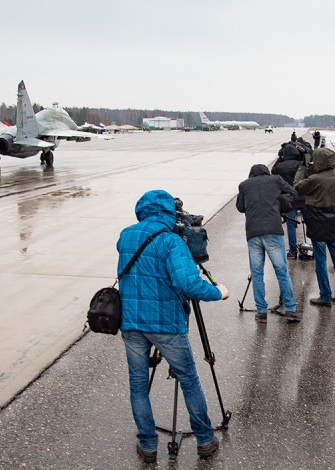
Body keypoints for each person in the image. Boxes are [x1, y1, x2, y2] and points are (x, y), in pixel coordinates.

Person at [117, 190, 229, 462]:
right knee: (189, 379)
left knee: (137, 384)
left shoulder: (126, 235)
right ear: (169, 212)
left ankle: (148, 446)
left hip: (131, 322)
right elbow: (187, 283)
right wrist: (218, 292)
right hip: (165, 324)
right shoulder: (171, 241)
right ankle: (204, 439)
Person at [236, 164, 301, 322]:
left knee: (257, 274)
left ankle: (262, 312)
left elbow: (240, 207)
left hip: (253, 233)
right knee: (281, 272)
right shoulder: (276, 180)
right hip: (273, 230)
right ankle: (290, 309)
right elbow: (294, 193)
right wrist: (278, 201)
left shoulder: (244, 185)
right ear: (267, 171)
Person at [293, 147, 335, 306]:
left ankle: (325, 295)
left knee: (321, 259)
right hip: (333, 219)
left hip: (317, 220)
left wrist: (303, 168)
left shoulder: (315, 179)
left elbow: (297, 186)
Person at [271, 142, 304, 258]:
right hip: (303, 197)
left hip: (289, 199)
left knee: (291, 225)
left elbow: (273, 171)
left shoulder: (280, 166)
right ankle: (313, 248)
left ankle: (293, 250)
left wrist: (280, 158)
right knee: (309, 223)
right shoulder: (300, 164)